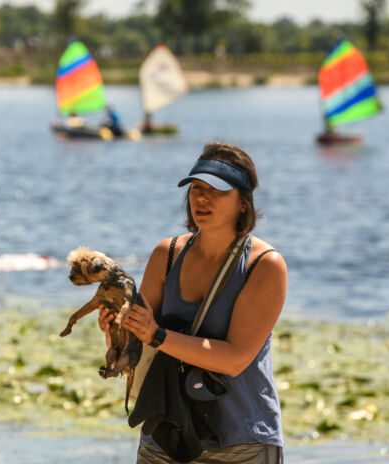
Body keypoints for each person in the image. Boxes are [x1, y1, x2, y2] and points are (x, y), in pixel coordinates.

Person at [99, 142, 286, 463]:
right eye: (196, 187)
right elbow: (137, 349)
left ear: (243, 202)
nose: (202, 197)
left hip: (240, 441)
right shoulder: (166, 255)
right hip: (165, 432)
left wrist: (157, 335)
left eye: (216, 190)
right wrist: (116, 331)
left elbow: (234, 360)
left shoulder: (265, 265)